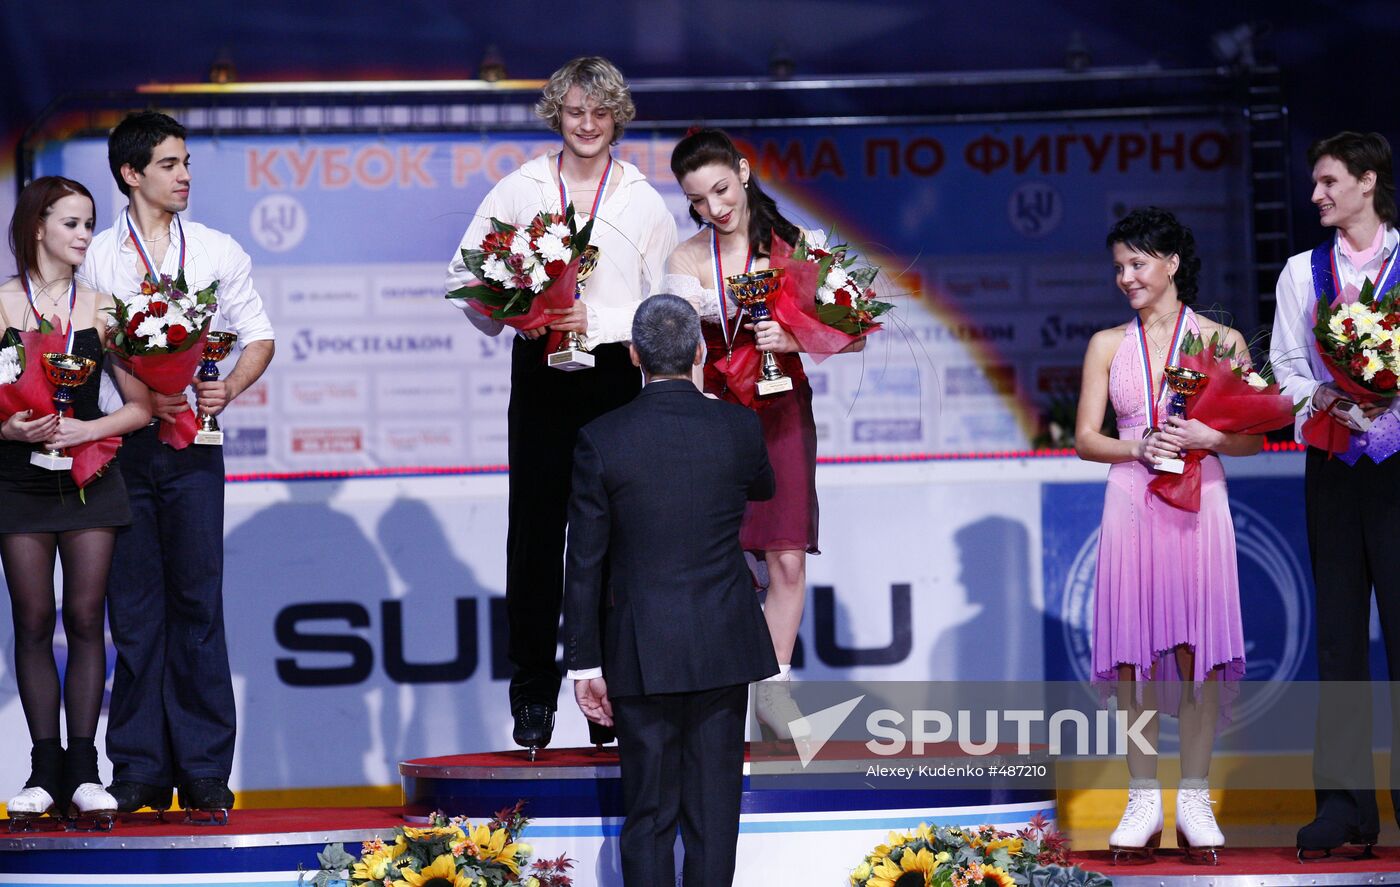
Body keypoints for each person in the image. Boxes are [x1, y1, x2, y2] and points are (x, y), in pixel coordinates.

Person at [444, 56, 677, 753]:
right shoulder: (518, 188)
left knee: (613, 538)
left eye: (599, 112)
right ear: (557, 113)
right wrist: (526, 315)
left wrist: (615, 333)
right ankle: (533, 694)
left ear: (617, 118)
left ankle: (608, 697)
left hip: (612, 373)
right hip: (542, 368)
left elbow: (665, 299)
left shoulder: (641, 197)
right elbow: (465, 277)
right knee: (537, 533)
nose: (586, 124)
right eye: (574, 111)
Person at [77, 111, 276, 822]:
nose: (185, 174)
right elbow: (96, 347)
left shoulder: (218, 249)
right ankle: (135, 768)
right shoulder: (101, 256)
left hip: (196, 444)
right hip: (121, 444)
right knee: (132, 610)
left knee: (197, 603)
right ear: (131, 174)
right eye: (168, 163)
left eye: (186, 161)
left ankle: (202, 770)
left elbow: (258, 336)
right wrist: (146, 398)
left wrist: (228, 386)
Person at [563, 293, 778, 886]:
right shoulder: (737, 427)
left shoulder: (602, 438)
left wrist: (584, 666)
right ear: (700, 351)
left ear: (633, 355)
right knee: (713, 814)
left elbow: (583, 561)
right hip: (722, 642)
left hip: (640, 650)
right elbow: (762, 484)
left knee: (650, 814)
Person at [661, 128, 862, 739]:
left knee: (788, 560)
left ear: (744, 174)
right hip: (714, 413)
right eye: (698, 200)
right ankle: (713, 697)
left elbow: (846, 323)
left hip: (780, 410)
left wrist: (795, 339)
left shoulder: (797, 247)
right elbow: (677, 350)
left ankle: (774, 696)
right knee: (716, 563)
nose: (714, 208)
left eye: (721, 189)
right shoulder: (686, 259)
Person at [1075, 207, 1261, 862]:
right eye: (1119, 266)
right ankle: (1142, 795)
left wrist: (1208, 436)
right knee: (1133, 654)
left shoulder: (1222, 341)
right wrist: (1136, 445)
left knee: (1196, 652)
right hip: (1130, 501)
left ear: (1172, 263)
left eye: (1137, 263)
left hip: (1198, 500)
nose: (1126, 276)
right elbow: (1084, 438)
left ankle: (1195, 794)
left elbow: (1248, 437)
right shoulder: (1106, 344)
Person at [0, 177, 152, 825]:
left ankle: (86, 769)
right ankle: (42, 768)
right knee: (33, 620)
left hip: (90, 474)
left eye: (90, 223)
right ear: (38, 227)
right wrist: (7, 427)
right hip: (18, 478)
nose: (85, 235)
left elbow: (144, 406)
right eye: (72, 223)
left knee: (87, 618)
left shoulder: (103, 306)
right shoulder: (2, 303)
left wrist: (90, 427)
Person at [1270, 131, 1400, 858]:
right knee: (1340, 638)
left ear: (1366, 182)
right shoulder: (1301, 271)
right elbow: (1284, 361)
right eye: (1314, 182)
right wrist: (1323, 392)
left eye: (1327, 181)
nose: (1316, 194)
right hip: (1333, 462)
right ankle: (1345, 806)